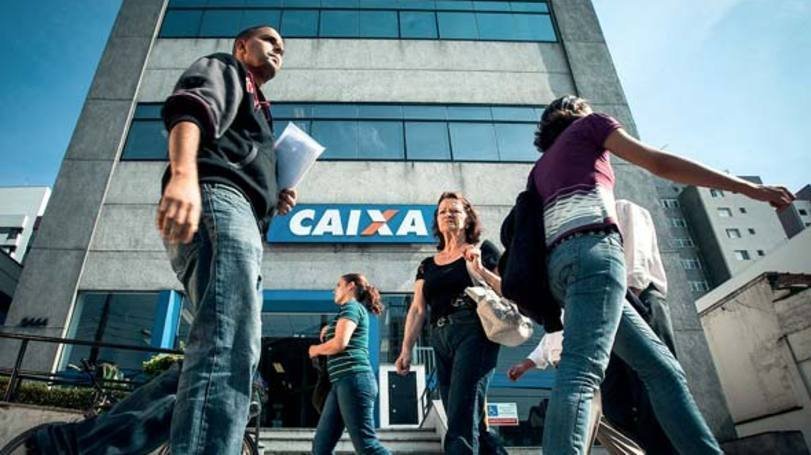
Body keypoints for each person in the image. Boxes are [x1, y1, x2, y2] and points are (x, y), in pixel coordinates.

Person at [27, 25, 297, 454]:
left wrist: (272, 194)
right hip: (218, 199)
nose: (278, 49)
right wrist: (184, 175)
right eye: (270, 41)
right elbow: (190, 109)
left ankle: (78, 446)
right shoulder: (226, 68)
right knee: (230, 347)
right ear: (242, 46)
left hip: (241, 211)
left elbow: (239, 155)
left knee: (219, 358)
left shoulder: (262, 110)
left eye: (282, 47)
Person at [527, 95, 794, 454]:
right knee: (581, 370)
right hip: (595, 254)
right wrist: (751, 189)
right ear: (577, 110)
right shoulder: (591, 125)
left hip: (560, 269)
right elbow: (659, 163)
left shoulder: (540, 168)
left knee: (663, 370)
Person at [394, 192, 506, 454]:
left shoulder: (483, 251)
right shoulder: (427, 265)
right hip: (440, 337)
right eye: (443, 211)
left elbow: (509, 291)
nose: (448, 215)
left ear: (468, 219)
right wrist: (406, 349)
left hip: (474, 331)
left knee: (460, 417)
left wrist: (481, 271)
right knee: (465, 415)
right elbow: (418, 309)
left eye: (455, 210)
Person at [309, 273, 389, 455]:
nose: (334, 290)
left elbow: (340, 343)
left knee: (367, 446)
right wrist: (330, 328)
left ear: (351, 286)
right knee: (321, 448)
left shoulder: (351, 307)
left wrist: (316, 349)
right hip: (341, 382)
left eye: (338, 285)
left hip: (354, 379)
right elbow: (343, 334)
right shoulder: (349, 311)